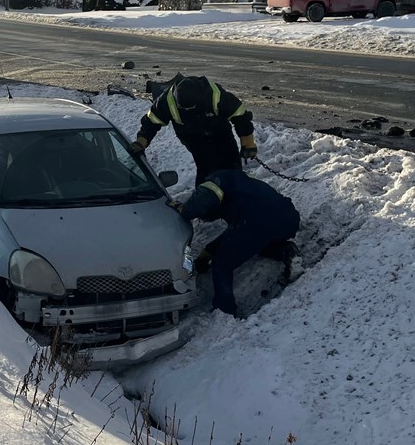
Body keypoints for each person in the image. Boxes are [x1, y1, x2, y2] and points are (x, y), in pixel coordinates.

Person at [173, 169, 300, 319]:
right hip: (288, 218)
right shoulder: (238, 183)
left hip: (257, 223)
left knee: (221, 265)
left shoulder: (212, 186)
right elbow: (236, 231)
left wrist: (184, 210)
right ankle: (285, 251)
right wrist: (208, 251)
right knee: (258, 242)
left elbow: (206, 202)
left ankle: (225, 311)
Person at [128, 73, 257, 184]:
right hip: (192, 138)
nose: (187, 111)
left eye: (190, 108)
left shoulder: (214, 95)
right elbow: (151, 123)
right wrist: (141, 143)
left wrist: (248, 143)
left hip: (220, 133)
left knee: (231, 165)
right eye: (183, 108)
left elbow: (240, 116)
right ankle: (206, 199)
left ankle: (234, 197)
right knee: (205, 167)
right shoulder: (166, 101)